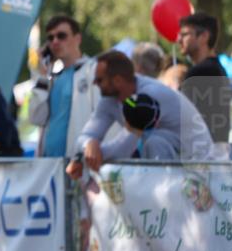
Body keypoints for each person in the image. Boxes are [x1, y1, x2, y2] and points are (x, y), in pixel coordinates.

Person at [66, 51, 214, 180]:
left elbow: (122, 150)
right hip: (175, 165)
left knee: (154, 142)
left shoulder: (149, 96)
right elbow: (83, 137)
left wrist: (90, 155)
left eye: (100, 80)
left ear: (117, 80)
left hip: (199, 168)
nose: (94, 83)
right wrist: (89, 144)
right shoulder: (109, 100)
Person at [28, 15, 103, 157]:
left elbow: (104, 118)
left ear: (77, 39)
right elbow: (36, 118)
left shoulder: (93, 70)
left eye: (61, 36)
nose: (55, 42)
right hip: (50, 165)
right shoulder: (52, 78)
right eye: (50, 38)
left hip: (80, 164)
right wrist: (42, 76)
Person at [178, 12, 231, 158]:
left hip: (201, 159)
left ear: (204, 36)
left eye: (184, 34)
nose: (178, 39)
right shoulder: (217, 68)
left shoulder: (202, 71)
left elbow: (176, 111)